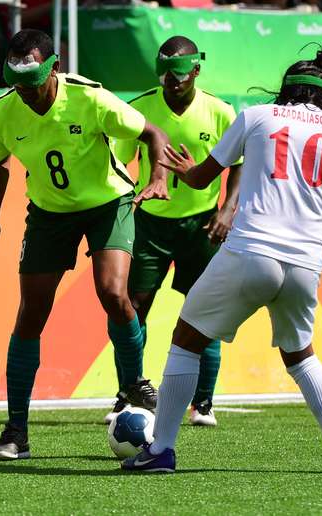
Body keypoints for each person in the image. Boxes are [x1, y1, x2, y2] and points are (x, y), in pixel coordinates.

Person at [122, 45, 322, 474]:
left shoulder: (257, 117)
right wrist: (319, 244)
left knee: (186, 339)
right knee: (302, 357)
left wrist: (185, 171)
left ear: (288, 89)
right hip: (305, 265)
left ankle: (161, 449)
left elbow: (203, 177)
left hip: (250, 252)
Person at [0, 29, 169, 461]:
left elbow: (153, 134)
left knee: (113, 292)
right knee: (31, 313)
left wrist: (157, 176)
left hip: (107, 204)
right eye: (16, 82)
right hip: (48, 212)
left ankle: (133, 384)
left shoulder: (92, 99)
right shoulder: (5, 111)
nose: (24, 92)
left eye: (33, 82)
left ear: (56, 68)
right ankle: (15, 432)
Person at [111, 35, 242, 427]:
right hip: (149, 224)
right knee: (132, 309)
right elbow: (116, 164)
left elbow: (240, 163)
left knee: (205, 311)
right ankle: (127, 395)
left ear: (196, 70)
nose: (172, 78)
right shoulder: (139, 108)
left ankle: (203, 403)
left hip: (201, 225)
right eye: (164, 70)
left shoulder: (220, 111)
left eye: (180, 71)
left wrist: (227, 210)